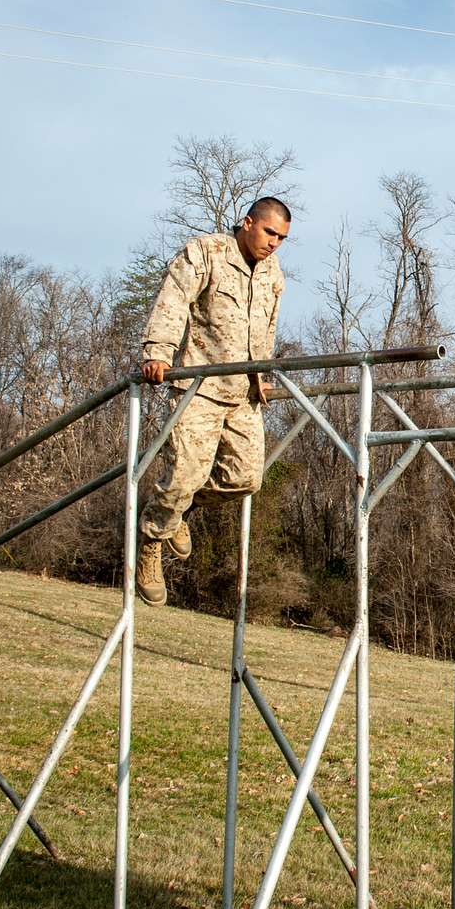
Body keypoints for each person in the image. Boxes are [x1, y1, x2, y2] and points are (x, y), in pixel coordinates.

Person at [135, 196, 290, 606]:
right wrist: (158, 351)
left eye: (282, 238)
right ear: (247, 223)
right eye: (269, 232)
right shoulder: (207, 253)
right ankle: (151, 539)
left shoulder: (274, 274)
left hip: (242, 393)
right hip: (199, 388)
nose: (274, 243)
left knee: (245, 478)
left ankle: (178, 512)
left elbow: (266, 329)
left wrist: (263, 377)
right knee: (184, 474)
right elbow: (173, 298)